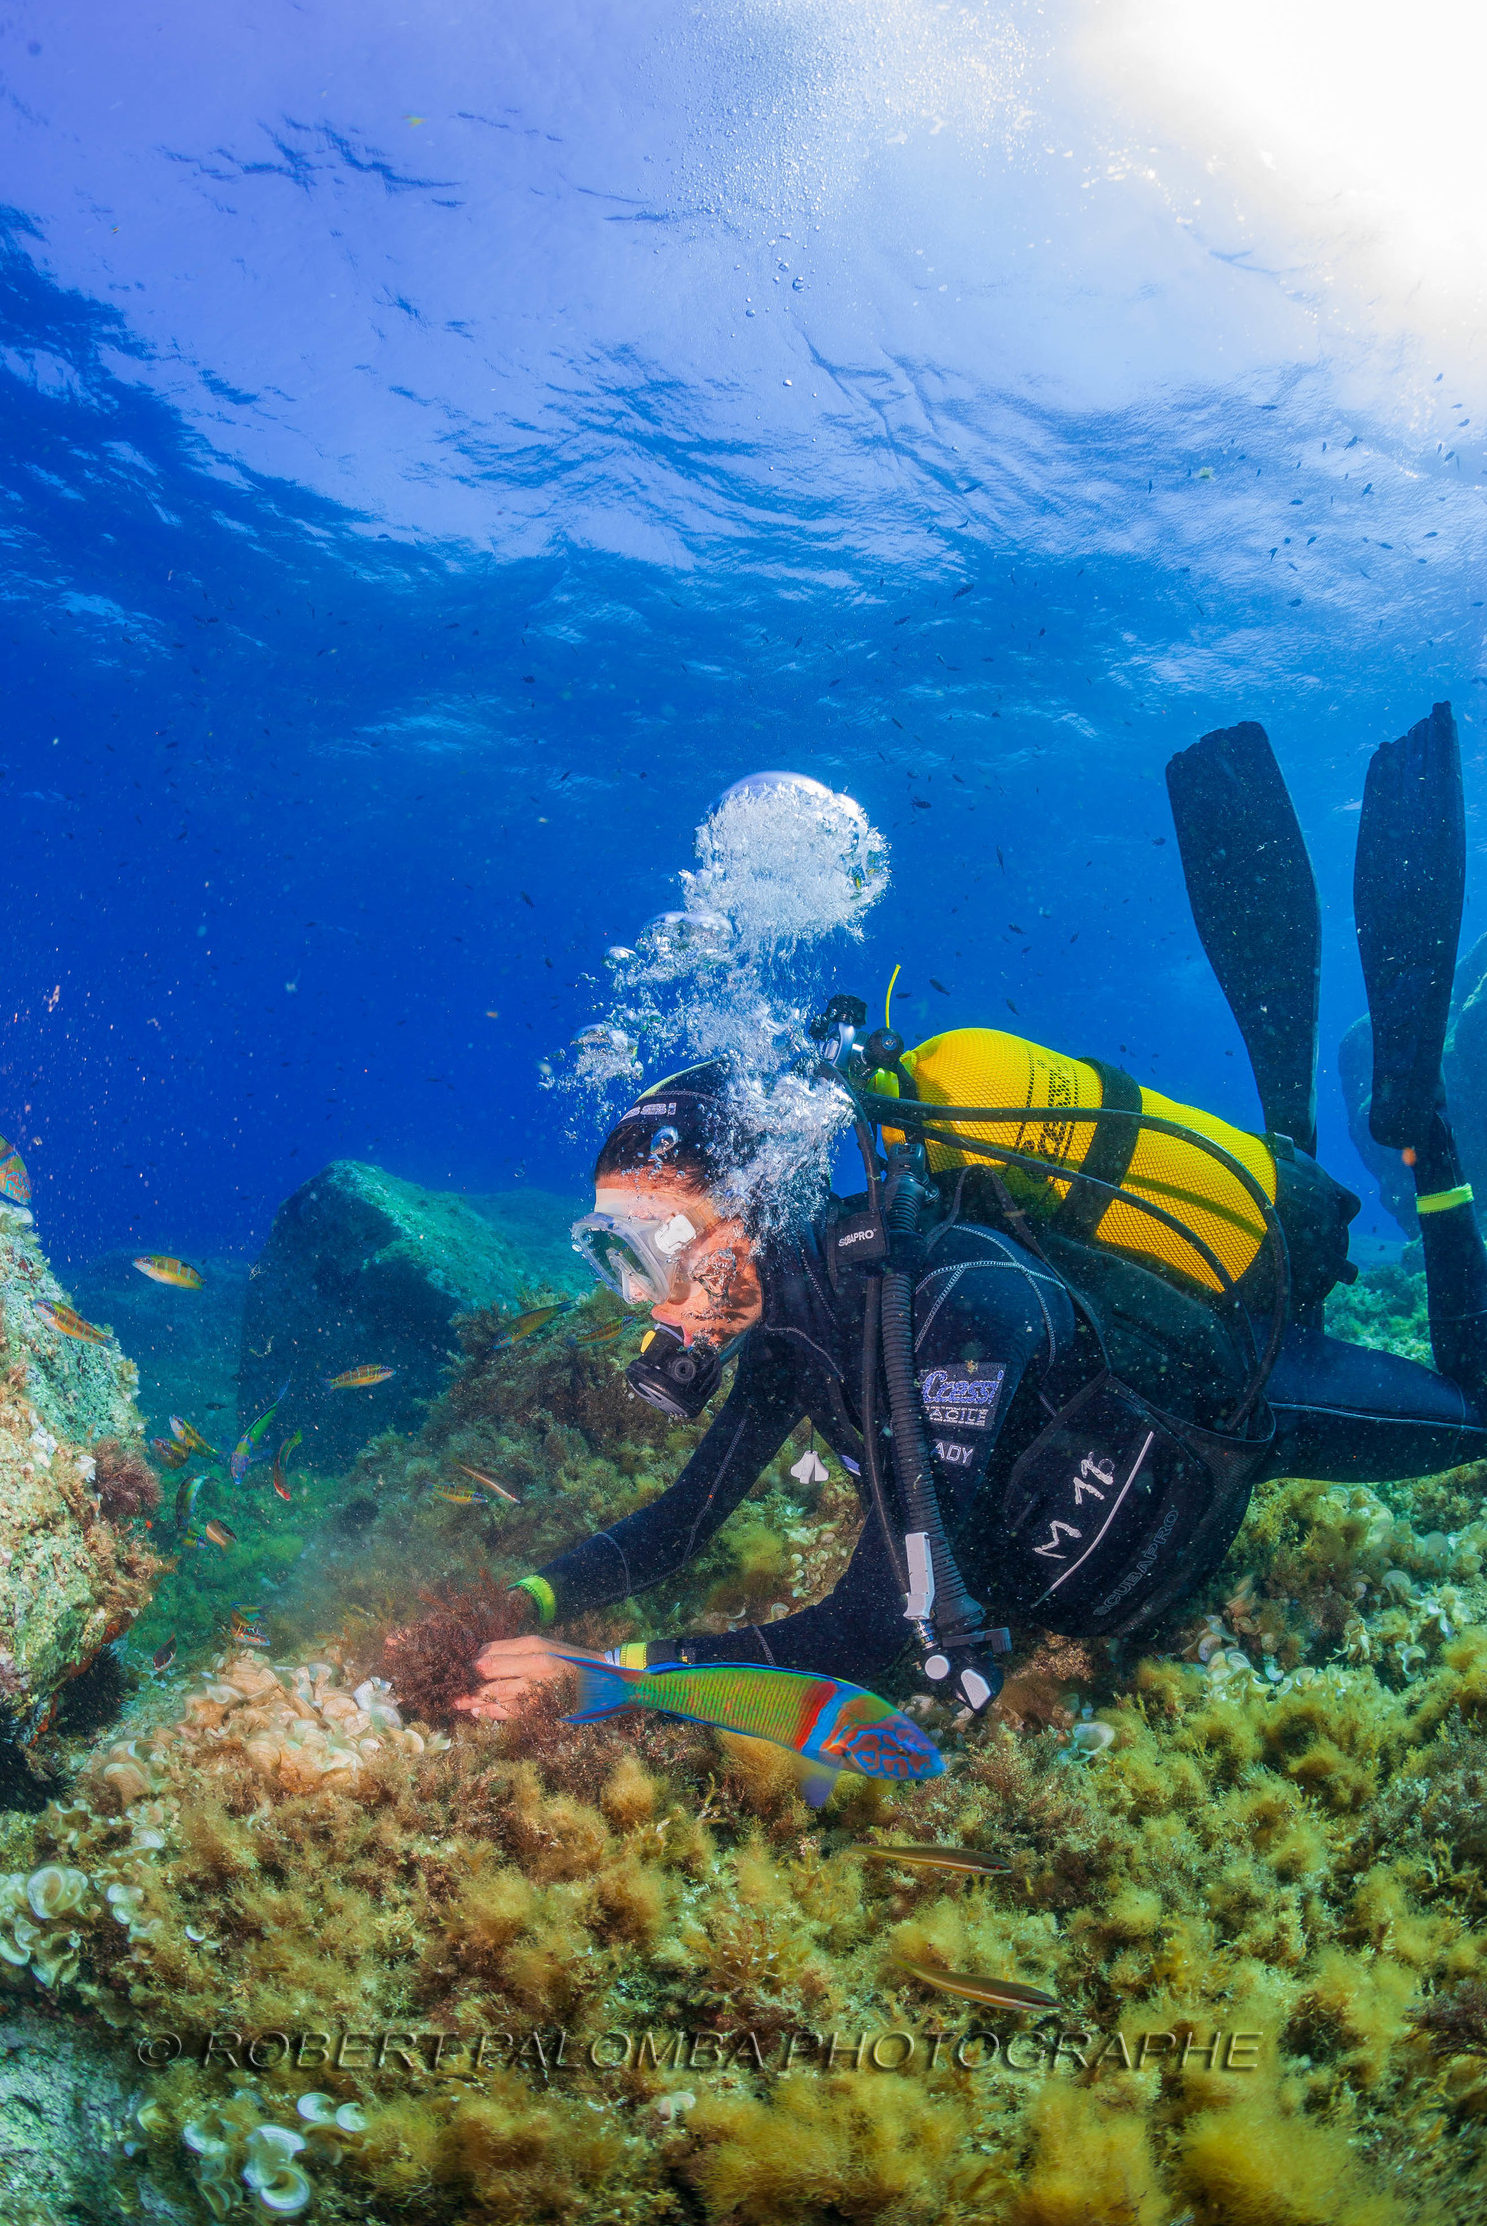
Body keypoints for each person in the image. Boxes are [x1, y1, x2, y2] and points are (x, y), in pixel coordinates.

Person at [459, 703, 1487, 1723]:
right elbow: (682, 1522)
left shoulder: (954, 1304)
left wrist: (613, 1679)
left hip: (1225, 1382)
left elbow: (876, 1632)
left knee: (1475, 1415)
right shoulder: (789, 1326)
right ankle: (1290, 1147)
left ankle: (1419, 1137)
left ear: (755, 1210)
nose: (647, 1299)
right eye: (615, 1257)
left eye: (657, 1249)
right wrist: (526, 1601)